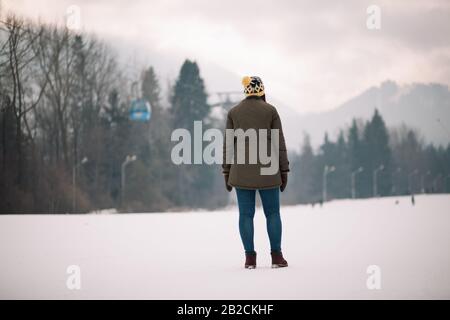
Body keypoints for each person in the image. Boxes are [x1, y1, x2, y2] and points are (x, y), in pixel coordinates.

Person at [222, 76, 290, 269]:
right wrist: (283, 170)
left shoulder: (233, 112)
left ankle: (250, 259)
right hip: (269, 171)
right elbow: (279, 143)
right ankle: (276, 257)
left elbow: (228, 144)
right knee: (273, 214)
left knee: (245, 215)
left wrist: (226, 172)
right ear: (261, 90)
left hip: (241, 171)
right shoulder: (270, 110)